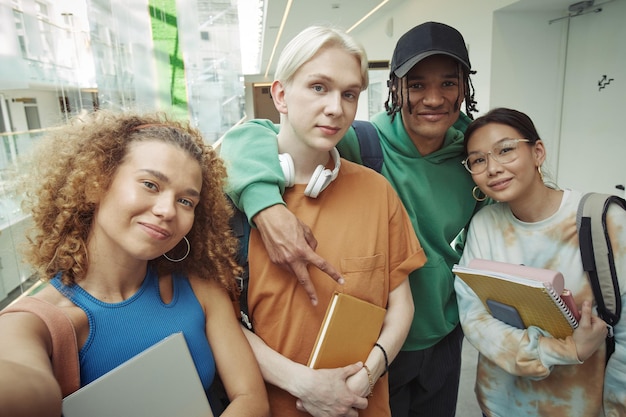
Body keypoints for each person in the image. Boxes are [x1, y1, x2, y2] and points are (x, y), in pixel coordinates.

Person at [220, 21, 484, 416]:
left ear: (464, 87)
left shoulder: (475, 155)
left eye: (449, 83)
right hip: (365, 354)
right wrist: (265, 205)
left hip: (438, 335)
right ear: (395, 88)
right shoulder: (361, 142)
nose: (434, 98)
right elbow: (251, 136)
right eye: (417, 85)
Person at [0, 111, 269, 417]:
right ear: (94, 183)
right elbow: (17, 380)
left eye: (185, 201)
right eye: (150, 185)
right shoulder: (37, 322)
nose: (167, 210)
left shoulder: (199, 287)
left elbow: (252, 399)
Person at [454, 107, 626, 416]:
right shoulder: (484, 225)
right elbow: (473, 317)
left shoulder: (605, 221)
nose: (492, 168)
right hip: (499, 403)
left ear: (538, 152)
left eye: (505, 150)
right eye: (479, 159)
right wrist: (561, 350)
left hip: (578, 405)